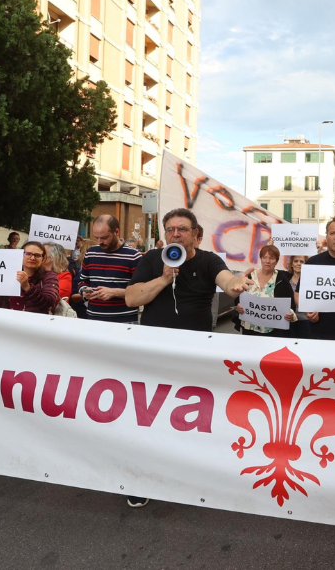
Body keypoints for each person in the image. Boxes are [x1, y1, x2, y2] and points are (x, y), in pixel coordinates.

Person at [124, 208, 254, 508]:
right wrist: (163, 278)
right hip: (155, 353)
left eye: (182, 229)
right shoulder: (152, 261)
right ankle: (143, 479)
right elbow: (132, 298)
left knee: (192, 417)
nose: (175, 235)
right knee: (149, 417)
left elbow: (226, 280)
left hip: (195, 355)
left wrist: (235, 284)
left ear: (197, 235)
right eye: (170, 229)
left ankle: (191, 475)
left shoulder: (208, 261)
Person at [74, 215, 142, 323]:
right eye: (97, 237)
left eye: (104, 237)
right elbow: (82, 281)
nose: (100, 242)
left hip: (124, 322)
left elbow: (142, 292)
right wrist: (84, 291)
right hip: (94, 319)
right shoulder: (91, 253)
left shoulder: (133, 256)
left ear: (116, 232)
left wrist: (115, 292)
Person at [0, 241, 60, 314]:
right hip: (8, 327)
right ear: (20, 255)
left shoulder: (49, 276)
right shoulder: (6, 274)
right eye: (28, 254)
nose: (32, 258)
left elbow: (48, 303)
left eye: (37, 255)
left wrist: (27, 287)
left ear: (43, 259)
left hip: (34, 328)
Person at [233, 244, 296, 338]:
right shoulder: (250, 276)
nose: (267, 261)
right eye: (264, 257)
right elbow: (239, 298)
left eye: (271, 258)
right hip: (249, 329)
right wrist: (238, 306)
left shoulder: (281, 278)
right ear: (261, 259)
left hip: (273, 332)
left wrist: (291, 314)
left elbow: (290, 303)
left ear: (276, 261)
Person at [286, 255, 311, 338]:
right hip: (289, 320)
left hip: (306, 320)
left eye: (302, 262)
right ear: (291, 264)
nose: (298, 264)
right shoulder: (285, 278)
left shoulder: (311, 280)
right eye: (296, 261)